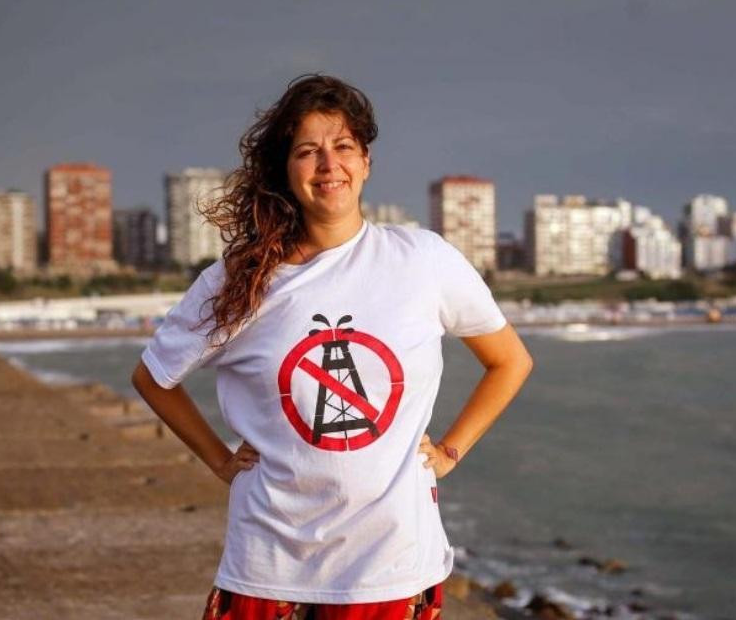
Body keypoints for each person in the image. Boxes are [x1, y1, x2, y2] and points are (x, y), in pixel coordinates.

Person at [132, 74, 534, 620]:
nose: (328, 165)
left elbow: (509, 360)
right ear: (285, 169)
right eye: (307, 151)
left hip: (392, 565)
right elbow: (153, 377)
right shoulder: (241, 280)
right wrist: (220, 462)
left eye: (343, 146)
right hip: (269, 565)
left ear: (366, 162)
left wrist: (449, 453)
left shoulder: (422, 259)